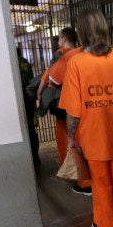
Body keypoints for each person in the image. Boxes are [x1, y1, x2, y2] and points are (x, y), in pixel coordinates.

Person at [58, 8, 113, 227]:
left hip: (94, 137)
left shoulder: (77, 63)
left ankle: (107, 226)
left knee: (101, 186)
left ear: (81, 32)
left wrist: (72, 137)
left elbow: (73, 111)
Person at [40, 28, 93, 195]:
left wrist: (40, 94)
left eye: (59, 39)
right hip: (90, 108)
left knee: (72, 144)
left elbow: (49, 77)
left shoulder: (63, 56)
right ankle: (92, 181)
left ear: (63, 38)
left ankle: (84, 182)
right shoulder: (97, 56)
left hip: (68, 108)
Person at [16, 46, 39, 167]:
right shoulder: (25, 62)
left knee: (25, 131)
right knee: (31, 130)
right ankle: (36, 159)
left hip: (20, 101)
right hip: (29, 99)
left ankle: (30, 161)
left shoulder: (14, 63)